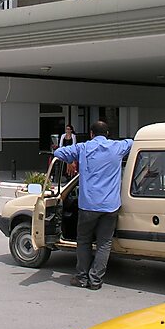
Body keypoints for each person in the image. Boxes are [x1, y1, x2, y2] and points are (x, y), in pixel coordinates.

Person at [53, 120, 133, 291]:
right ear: (108, 134)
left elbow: (59, 152)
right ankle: (96, 280)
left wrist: (71, 160)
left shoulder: (83, 148)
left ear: (91, 134)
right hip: (110, 206)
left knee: (83, 241)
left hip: (88, 205)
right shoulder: (118, 147)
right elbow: (135, 142)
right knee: (104, 243)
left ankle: (81, 277)